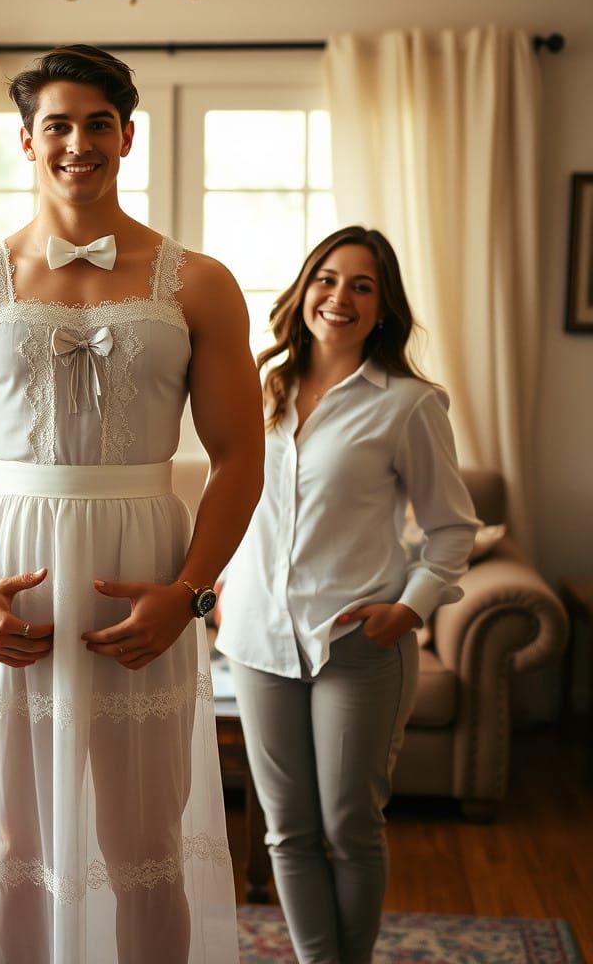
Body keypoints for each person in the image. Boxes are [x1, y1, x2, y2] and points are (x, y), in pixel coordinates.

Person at [0, 45, 264, 963]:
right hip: (14, 574)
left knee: (146, 847)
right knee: (16, 844)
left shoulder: (202, 283)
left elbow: (238, 459)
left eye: (97, 124)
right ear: (26, 142)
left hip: (142, 567)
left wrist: (188, 593)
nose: (78, 144)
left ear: (127, 137)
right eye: (57, 126)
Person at [216, 225, 480, 964]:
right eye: (328, 280)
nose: (340, 298)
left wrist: (411, 608)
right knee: (285, 830)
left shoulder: (409, 405)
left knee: (349, 827)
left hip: (360, 642)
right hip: (259, 641)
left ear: (383, 307)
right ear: (304, 290)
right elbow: (230, 501)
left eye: (362, 286)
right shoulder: (256, 389)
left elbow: (453, 528)